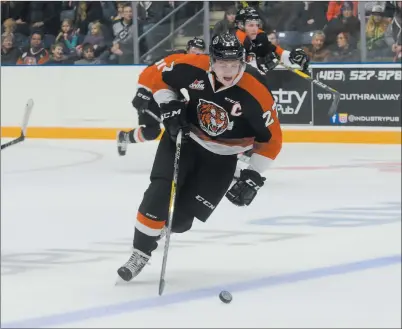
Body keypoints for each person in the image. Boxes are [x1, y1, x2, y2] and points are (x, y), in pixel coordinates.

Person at [117, 32, 282, 282]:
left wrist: (253, 175)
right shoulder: (192, 65)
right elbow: (155, 74)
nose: (228, 71)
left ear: (243, 62)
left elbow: (272, 141)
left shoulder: (257, 91)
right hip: (185, 139)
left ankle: (156, 231)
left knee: (181, 221)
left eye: (234, 65)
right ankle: (140, 253)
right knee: (159, 193)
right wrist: (167, 103)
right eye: (222, 64)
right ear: (211, 60)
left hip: (222, 158)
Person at [117, 37, 206, 156]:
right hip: (149, 92)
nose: (197, 53)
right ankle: (124, 137)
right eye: (194, 49)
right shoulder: (180, 59)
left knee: (182, 122)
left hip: (164, 90)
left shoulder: (186, 60)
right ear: (188, 49)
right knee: (151, 132)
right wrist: (143, 90)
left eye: (200, 50)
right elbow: (153, 71)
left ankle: (182, 155)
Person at [234, 7, 310, 74]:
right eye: (251, 25)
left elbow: (274, 50)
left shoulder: (260, 36)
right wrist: (258, 63)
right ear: (241, 25)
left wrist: (291, 56)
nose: (255, 28)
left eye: (257, 24)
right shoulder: (234, 41)